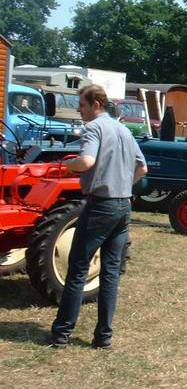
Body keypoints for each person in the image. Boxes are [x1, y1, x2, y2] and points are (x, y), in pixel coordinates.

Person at [47, 85, 147, 349]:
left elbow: (87, 162)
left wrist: (66, 164)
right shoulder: (124, 130)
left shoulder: (94, 128)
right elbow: (143, 168)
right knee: (111, 272)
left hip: (101, 204)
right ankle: (103, 337)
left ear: (96, 104)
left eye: (82, 104)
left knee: (78, 269)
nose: (79, 110)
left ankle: (61, 334)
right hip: (123, 205)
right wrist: (125, 184)